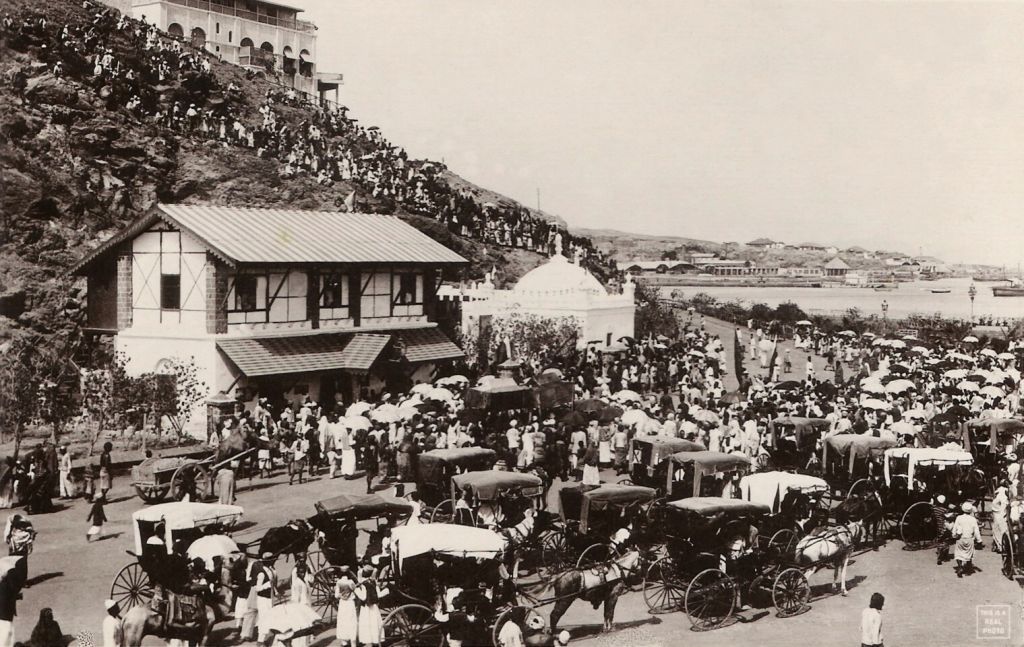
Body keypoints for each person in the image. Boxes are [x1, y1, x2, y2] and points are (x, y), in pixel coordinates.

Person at [355, 566, 386, 647]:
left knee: (368, 624)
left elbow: (363, 597)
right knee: (375, 623)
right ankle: (376, 641)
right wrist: (386, 591)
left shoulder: (363, 585)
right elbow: (378, 595)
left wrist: (356, 591)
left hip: (366, 608)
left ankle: (370, 641)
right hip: (374, 607)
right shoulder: (374, 582)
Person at [952, 502, 983, 577]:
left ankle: (960, 567)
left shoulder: (959, 517)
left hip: (960, 538)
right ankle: (968, 567)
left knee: (958, 553)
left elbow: (955, 527)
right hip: (970, 539)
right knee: (969, 553)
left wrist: (953, 534)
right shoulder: (973, 519)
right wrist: (979, 540)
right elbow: (976, 530)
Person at [334, 566, 358, 647]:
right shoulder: (350, 582)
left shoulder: (339, 582)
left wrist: (342, 596)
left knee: (343, 621)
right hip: (350, 603)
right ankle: (353, 642)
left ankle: (344, 641)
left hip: (342, 604)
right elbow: (355, 590)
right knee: (351, 621)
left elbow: (336, 595)